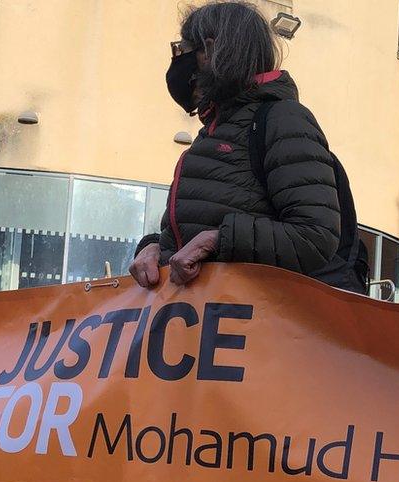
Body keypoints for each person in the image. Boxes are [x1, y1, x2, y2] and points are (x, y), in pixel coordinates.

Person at [130, 1, 367, 293]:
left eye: (185, 48)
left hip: (255, 329)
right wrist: (152, 247)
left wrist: (216, 240)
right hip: (206, 327)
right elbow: (184, 234)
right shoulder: (215, 129)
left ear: (211, 50)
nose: (180, 59)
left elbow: (315, 236)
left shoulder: (283, 119)